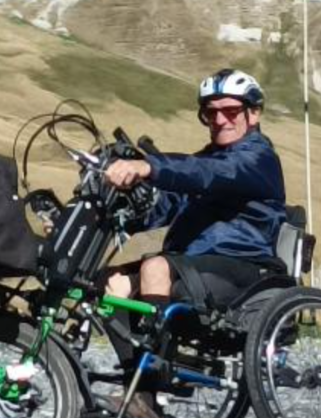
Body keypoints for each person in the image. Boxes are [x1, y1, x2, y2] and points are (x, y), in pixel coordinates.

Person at [100, 68, 288, 418]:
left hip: (244, 269)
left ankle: (147, 393)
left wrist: (148, 167)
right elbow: (166, 206)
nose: (219, 119)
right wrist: (117, 215)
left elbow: (207, 174)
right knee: (111, 284)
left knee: (155, 266)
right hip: (196, 267)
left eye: (230, 111)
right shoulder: (209, 158)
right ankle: (137, 377)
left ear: (254, 113)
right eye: (210, 112)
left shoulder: (257, 158)